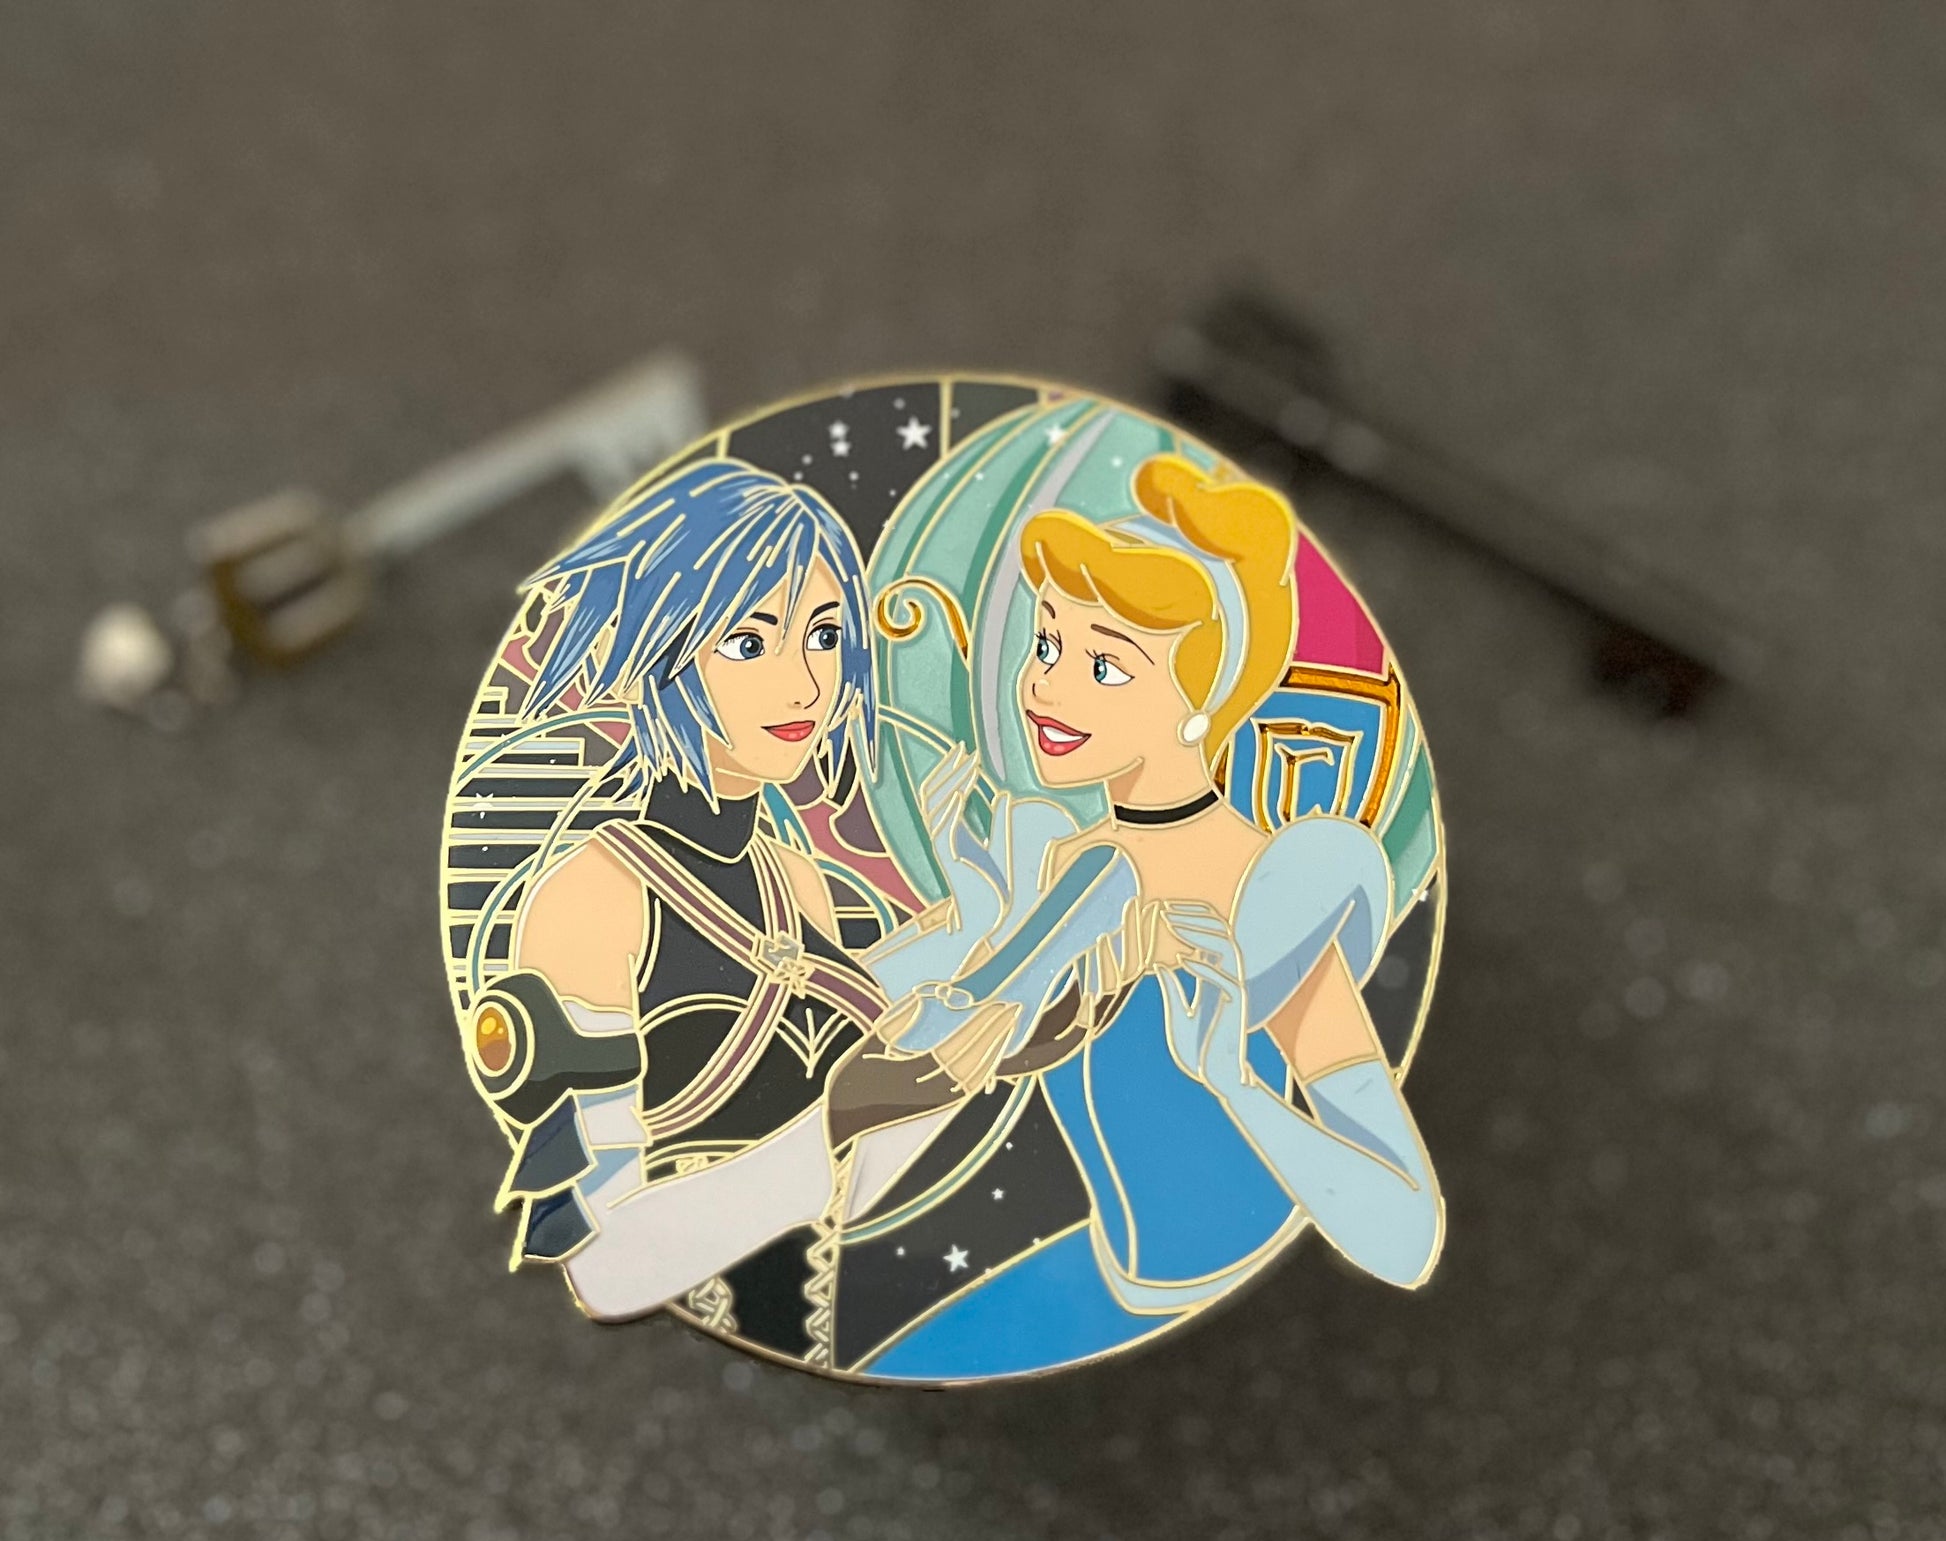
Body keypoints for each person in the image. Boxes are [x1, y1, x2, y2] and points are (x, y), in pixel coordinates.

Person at [850, 453, 1444, 1380]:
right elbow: (939, 1025)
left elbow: (1406, 1237)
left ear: (1200, 705)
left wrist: (1236, 1086)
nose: (1046, 687)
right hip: (1100, 1267)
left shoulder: (1263, 892)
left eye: (1104, 666)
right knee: (875, 1324)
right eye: (1047, 644)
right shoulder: (1071, 858)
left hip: (1189, 1296)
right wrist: (968, 901)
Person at [463, 456, 890, 1360]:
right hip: (719, 1332)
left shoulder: (795, 878)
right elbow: (601, 1262)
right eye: (749, 642)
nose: (805, 685)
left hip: (845, 1324)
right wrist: (843, 1124)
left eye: (823, 635)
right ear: (659, 654)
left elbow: (856, 1162)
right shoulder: (593, 896)